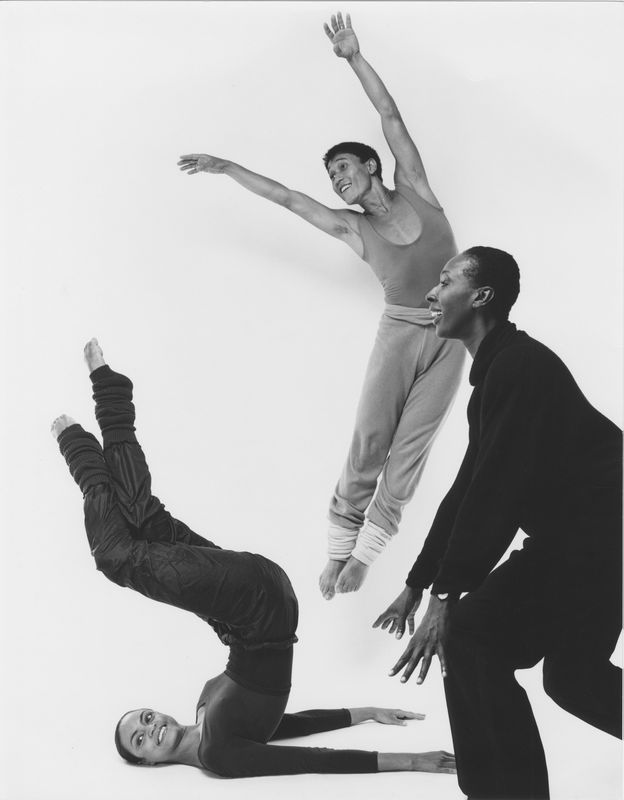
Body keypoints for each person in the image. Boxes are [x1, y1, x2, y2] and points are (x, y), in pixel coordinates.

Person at [51, 338, 456, 779]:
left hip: (247, 604)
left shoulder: (204, 713)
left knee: (144, 521)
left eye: (145, 720)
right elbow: (303, 754)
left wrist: (366, 712)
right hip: (259, 609)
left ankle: (106, 387)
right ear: (147, 762)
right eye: (141, 740)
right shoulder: (218, 758)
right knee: (117, 557)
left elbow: (277, 721)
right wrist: (411, 758)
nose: (153, 729)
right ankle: (76, 444)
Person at [177, 12, 465, 600]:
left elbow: (391, 117)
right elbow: (287, 199)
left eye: (342, 168)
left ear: (371, 167)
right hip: (400, 332)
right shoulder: (353, 230)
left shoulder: (418, 188)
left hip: (456, 333)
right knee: (370, 440)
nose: (336, 179)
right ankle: (338, 551)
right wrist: (228, 167)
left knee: (412, 448)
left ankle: (369, 550)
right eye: (331, 174)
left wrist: (354, 57)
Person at [373, 247, 622, 799]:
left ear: (481, 296)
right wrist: (419, 582)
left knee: (469, 634)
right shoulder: (499, 374)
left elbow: (495, 494)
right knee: (574, 679)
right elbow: (469, 487)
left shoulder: (520, 368)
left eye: (444, 282)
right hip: (588, 542)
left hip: (598, 541)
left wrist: (446, 596)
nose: (431, 295)